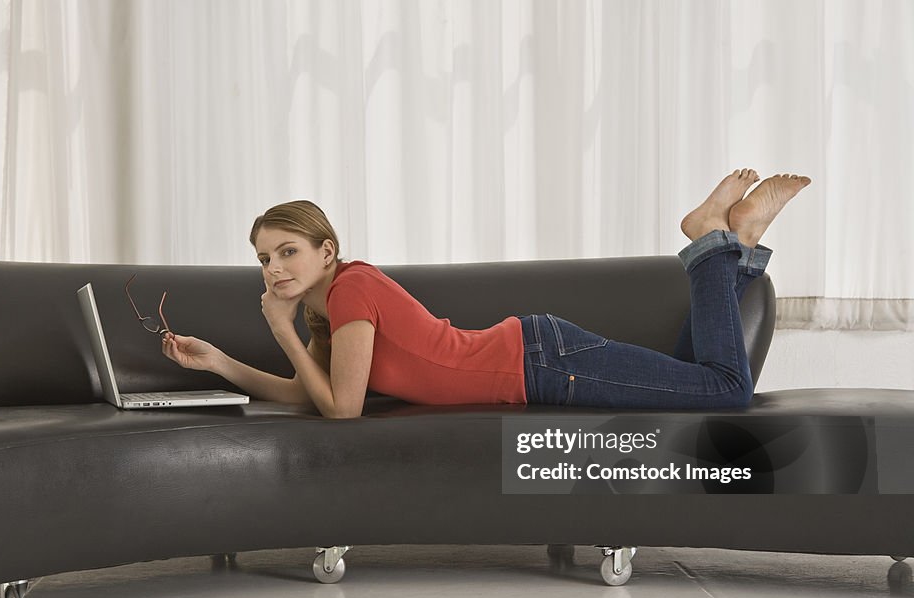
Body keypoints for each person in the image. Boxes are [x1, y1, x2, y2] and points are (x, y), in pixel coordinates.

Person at [162, 170, 811, 418]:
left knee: (727, 389)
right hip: (539, 356)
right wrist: (220, 362)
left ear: (325, 251)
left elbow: (343, 409)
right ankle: (739, 250)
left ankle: (707, 242)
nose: (273, 268)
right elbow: (309, 391)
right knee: (703, 379)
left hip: (545, 364)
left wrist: (280, 332)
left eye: (287, 252)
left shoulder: (351, 290)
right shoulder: (328, 309)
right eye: (263, 258)